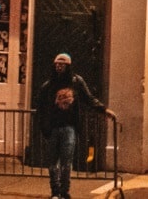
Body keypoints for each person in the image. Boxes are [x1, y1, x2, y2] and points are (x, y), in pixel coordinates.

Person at [36, 53, 100, 199]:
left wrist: (102, 109)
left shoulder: (76, 82)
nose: (59, 67)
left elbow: (88, 98)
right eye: (57, 64)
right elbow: (40, 108)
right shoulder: (48, 86)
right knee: (53, 163)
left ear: (68, 66)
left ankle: (64, 192)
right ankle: (55, 192)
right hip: (53, 127)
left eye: (62, 65)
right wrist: (44, 127)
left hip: (69, 127)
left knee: (66, 162)